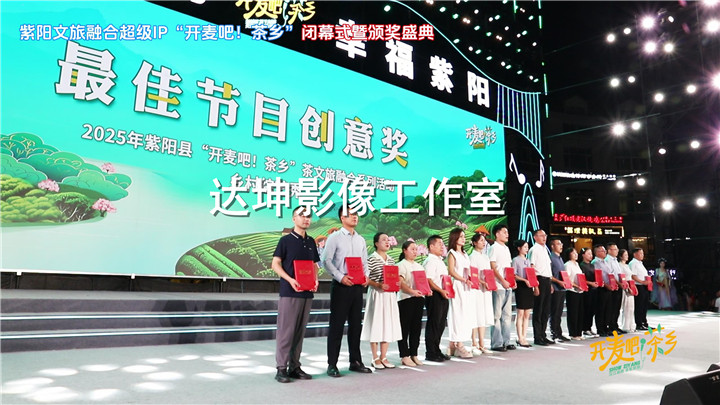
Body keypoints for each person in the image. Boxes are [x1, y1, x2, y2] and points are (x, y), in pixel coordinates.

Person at [271, 206, 320, 383]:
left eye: (309, 216)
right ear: (294, 219)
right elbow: (275, 264)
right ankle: (281, 368)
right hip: (290, 292)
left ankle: (295, 366)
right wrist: (290, 279)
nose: (306, 219)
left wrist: (315, 279)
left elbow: (314, 265)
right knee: (286, 331)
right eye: (302, 215)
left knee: (299, 332)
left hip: (307, 292)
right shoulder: (285, 240)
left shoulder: (311, 241)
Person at [322, 206, 371, 377]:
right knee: (336, 326)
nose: (354, 217)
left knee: (356, 326)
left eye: (356, 214)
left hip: (357, 287)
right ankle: (332, 364)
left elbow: (364, 263)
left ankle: (355, 361)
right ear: (342, 218)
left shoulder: (361, 240)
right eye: (350, 214)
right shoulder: (334, 237)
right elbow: (326, 261)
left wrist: (366, 276)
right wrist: (340, 277)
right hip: (341, 286)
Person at [360, 232, 402, 370]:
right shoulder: (371, 259)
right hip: (377, 295)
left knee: (387, 324)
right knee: (376, 324)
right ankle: (375, 357)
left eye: (388, 239)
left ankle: (384, 356)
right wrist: (378, 285)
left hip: (389, 296)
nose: (387, 242)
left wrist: (397, 283)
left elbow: (394, 277)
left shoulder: (391, 260)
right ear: (376, 243)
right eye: (383, 240)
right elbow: (366, 278)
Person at [397, 240, 428, 367]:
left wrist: (427, 290)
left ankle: (414, 354)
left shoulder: (419, 266)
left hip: (419, 299)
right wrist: (411, 291)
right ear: (405, 251)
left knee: (416, 328)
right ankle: (404, 355)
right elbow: (400, 283)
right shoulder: (400, 265)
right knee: (404, 328)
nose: (415, 252)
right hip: (405, 299)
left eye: (416, 249)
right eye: (412, 249)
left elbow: (423, 283)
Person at [446, 228, 475, 358]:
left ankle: (453, 345)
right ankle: (459, 344)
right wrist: (463, 279)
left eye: (464, 236)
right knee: (457, 313)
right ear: (455, 238)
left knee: (465, 313)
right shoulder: (452, 253)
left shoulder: (465, 254)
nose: (464, 238)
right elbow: (451, 271)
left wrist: (470, 278)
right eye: (461, 236)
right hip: (458, 285)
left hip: (466, 287)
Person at [423, 235, 452, 362]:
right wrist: (441, 290)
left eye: (443, 244)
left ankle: (436, 349)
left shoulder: (440, 260)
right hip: (434, 294)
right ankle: (430, 352)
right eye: (439, 244)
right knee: (434, 324)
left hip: (443, 294)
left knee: (440, 324)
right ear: (431, 246)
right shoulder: (430, 261)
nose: (442, 246)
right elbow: (428, 280)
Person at [489, 224, 516, 351]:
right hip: (498, 286)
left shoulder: (506, 248)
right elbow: (492, 267)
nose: (507, 234)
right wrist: (502, 280)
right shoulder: (494, 248)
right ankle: (496, 343)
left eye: (507, 232)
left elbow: (508, 268)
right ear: (497, 234)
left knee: (507, 315)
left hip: (507, 286)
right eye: (504, 232)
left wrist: (512, 281)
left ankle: (506, 341)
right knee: (496, 315)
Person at [469, 233, 494, 354]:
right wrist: (483, 282)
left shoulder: (485, 256)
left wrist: (490, 282)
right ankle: (474, 343)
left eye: (484, 240)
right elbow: (473, 275)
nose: (484, 243)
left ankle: (482, 344)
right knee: (476, 315)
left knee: (483, 315)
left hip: (486, 289)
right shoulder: (472, 257)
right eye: (481, 241)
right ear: (474, 243)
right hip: (477, 289)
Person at [528, 229, 553, 346]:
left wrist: (550, 283)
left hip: (547, 280)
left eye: (545, 235)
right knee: (539, 309)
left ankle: (543, 334)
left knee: (546, 310)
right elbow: (532, 268)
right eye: (541, 235)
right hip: (539, 280)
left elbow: (548, 268)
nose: (544, 237)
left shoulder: (545, 249)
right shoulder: (534, 250)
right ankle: (537, 337)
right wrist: (535, 285)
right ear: (535, 237)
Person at [511, 239, 535, 347]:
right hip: (521, 287)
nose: (527, 249)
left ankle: (524, 337)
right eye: (524, 247)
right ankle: (519, 337)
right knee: (520, 313)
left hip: (529, 287)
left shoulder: (528, 261)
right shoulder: (515, 260)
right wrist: (524, 280)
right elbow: (514, 275)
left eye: (527, 247)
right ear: (519, 248)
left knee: (527, 314)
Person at [549, 238, 570, 342]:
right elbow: (549, 274)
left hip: (562, 288)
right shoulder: (551, 258)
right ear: (552, 246)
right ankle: (554, 333)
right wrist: (557, 282)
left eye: (561, 244)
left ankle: (559, 332)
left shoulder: (560, 258)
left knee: (559, 312)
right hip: (555, 288)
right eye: (558, 244)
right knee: (554, 312)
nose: (561, 245)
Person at [563, 247, 584, 340]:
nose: (576, 254)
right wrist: (576, 285)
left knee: (580, 312)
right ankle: (573, 333)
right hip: (572, 291)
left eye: (576, 253)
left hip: (580, 291)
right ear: (569, 254)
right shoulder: (567, 265)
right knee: (573, 313)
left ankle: (579, 333)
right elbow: (567, 278)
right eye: (573, 253)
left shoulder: (577, 264)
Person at [579, 247, 600, 338]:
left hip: (594, 290)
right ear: (583, 255)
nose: (591, 256)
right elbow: (581, 279)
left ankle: (589, 327)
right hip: (586, 290)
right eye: (588, 254)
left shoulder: (592, 265)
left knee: (592, 310)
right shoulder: (581, 265)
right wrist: (591, 283)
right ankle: (585, 328)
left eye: (591, 254)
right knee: (586, 309)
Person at [628, 248, 650, 330]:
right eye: (640, 253)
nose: (642, 255)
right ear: (635, 254)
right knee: (639, 305)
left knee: (644, 305)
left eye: (643, 253)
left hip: (644, 285)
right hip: (638, 285)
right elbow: (633, 276)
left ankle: (644, 322)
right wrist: (642, 282)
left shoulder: (640, 263)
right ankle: (639, 323)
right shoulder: (633, 263)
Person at [605, 243, 624, 334]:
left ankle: (615, 325)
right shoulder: (607, 260)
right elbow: (611, 275)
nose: (617, 251)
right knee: (611, 308)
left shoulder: (615, 260)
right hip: (613, 286)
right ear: (609, 250)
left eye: (617, 249)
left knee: (617, 308)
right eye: (615, 249)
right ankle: (610, 326)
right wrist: (619, 283)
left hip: (619, 286)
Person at [618, 249, 635, 333]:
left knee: (631, 307)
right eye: (625, 255)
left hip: (631, 286)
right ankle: (625, 325)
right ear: (621, 256)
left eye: (627, 254)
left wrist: (633, 287)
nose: (627, 256)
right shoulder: (619, 265)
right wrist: (627, 288)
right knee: (626, 307)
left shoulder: (627, 265)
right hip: (625, 287)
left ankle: (631, 325)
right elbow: (622, 278)